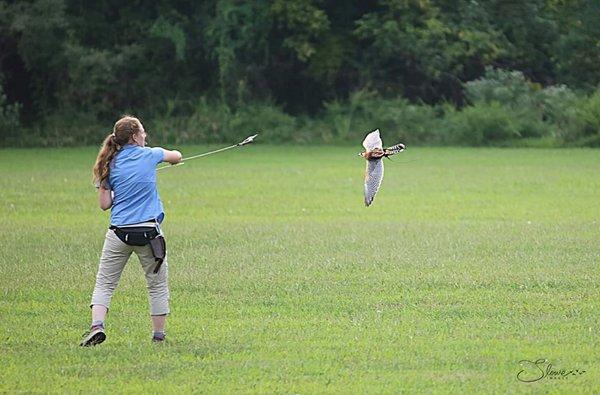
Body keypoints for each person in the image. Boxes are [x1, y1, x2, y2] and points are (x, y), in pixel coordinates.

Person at [81, 115, 182, 346]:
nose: (145, 136)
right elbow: (176, 156)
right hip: (149, 233)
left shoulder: (110, 162)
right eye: (143, 132)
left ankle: (97, 326)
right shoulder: (150, 154)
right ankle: (158, 337)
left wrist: (118, 192)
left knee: (104, 284)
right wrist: (169, 160)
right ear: (135, 136)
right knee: (156, 286)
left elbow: (104, 204)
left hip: (119, 232)